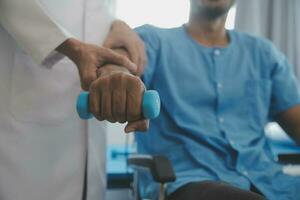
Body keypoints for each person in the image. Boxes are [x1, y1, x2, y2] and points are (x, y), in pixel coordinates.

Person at [132, 0, 300, 199]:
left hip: (272, 183)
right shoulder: (151, 41)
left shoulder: (263, 53)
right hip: (187, 183)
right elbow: (119, 70)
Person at [0, 0, 146, 199]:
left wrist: (117, 24)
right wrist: (73, 48)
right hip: (29, 116)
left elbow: (95, 13)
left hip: (91, 123)